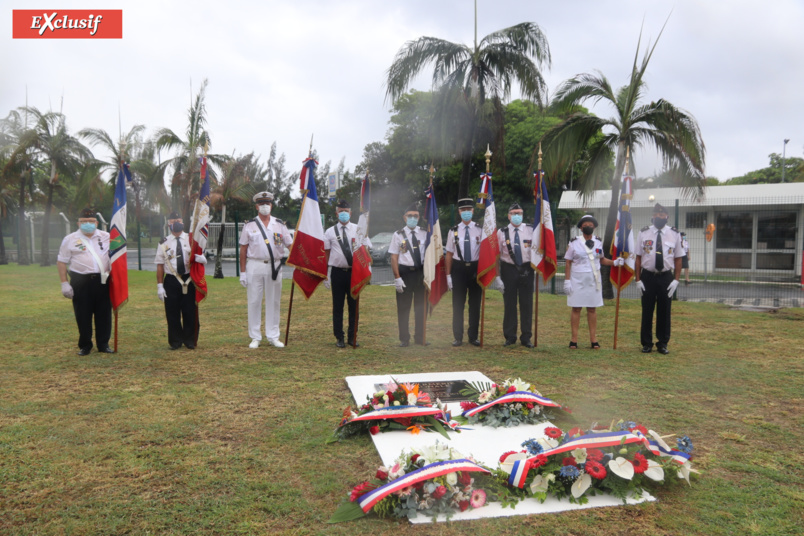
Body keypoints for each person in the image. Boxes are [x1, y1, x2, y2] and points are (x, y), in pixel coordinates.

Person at [239, 191, 293, 349]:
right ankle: (255, 336)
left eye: (267, 204)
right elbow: (243, 249)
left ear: (271, 205)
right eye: (261, 204)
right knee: (254, 301)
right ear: (256, 206)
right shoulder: (249, 225)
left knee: (274, 301)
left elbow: (290, 245)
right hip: (255, 265)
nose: (264, 207)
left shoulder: (280, 224)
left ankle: (273, 336)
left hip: (274, 265)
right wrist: (242, 272)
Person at [57, 207, 113, 355]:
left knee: (104, 313)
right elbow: (61, 261)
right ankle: (85, 345)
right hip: (80, 281)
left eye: (91, 221)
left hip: (103, 280)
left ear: (96, 223)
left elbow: (118, 255)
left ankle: (103, 344)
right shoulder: (69, 239)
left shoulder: (107, 236)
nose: (87, 223)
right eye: (84, 221)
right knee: (83, 314)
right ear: (78, 223)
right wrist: (64, 283)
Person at [563, 215, 618, 349]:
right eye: (586, 224)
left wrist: (615, 262)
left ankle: (593, 339)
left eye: (591, 224)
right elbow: (568, 262)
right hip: (577, 279)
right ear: (581, 227)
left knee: (592, 309)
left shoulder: (598, 242)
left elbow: (602, 259)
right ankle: (574, 340)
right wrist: (567, 281)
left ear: (594, 227)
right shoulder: (574, 242)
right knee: (576, 308)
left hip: (593, 279)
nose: (589, 226)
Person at [634, 203, 683, 355]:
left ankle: (662, 343)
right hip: (648, 276)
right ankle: (647, 343)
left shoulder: (675, 234)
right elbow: (638, 258)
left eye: (662, 215)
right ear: (652, 216)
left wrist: (676, 280)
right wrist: (637, 279)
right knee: (647, 310)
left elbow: (678, 259)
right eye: (656, 215)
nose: (659, 217)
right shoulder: (643, 233)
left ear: (667, 217)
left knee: (664, 311)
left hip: (666, 277)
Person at [323, 199, 372, 348]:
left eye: (346, 211)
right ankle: (339, 337)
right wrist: (326, 274)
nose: (343, 214)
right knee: (337, 307)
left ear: (351, 213)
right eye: (341, 211)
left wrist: (368, 269)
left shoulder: (359, 229)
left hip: (354, 273)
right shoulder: (330, 232)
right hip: (337, 273)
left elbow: (366, 250)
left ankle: (352, 337)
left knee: (354, 306)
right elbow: (326, 254)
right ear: (336, 213)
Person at [155, 211, 206, 350]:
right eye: (173, 221)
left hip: (189, 279)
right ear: (168, 224)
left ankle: (190, 340)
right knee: (172, 313)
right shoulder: (163, 243)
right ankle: (175, 341)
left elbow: (200, 255)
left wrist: (202, 258)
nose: (176, 223)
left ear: (183, 222)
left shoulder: (192, 240)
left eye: (178, 220)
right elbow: (160, 265)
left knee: (190, 311)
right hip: (171, 280)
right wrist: (160, 285)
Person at [496, 203, 535, 348]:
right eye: (513, 213)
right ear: (508, 215)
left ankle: (526, 337)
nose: (517, 216)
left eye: (519, 213)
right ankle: (510, 336)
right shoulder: (501, 232)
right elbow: (496, 256)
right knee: (509, 304)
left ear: (523, 214)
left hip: (527, 268)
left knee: (527, 304)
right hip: (508, 269)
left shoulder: (531, 230)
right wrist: (497, 276)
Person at [445, 198, 482, 347]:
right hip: (458, 270)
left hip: (475, 269)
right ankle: (458, 337)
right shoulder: (453, 231)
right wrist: (448, 275)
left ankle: (473, 337)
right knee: (458, 305)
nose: (466, 212)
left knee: (475, 305)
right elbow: (448, 254)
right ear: (459, 212)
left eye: (469, 210)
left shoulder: (480, 229)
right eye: (463, 210)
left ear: (473, 211)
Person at [389, 203, 427, 347]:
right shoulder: (397, 235)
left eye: (415, 216)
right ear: (404, 218)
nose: (413, 218)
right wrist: (397, 278)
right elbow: (394, 257)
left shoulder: (424, 233)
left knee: (421, 307)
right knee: (404, 308)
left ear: (419, 217)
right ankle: (404, 338)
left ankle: (420, 337)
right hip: (405, 273)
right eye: (410, 216)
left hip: (421, 274)